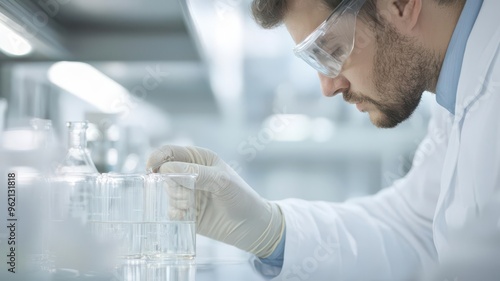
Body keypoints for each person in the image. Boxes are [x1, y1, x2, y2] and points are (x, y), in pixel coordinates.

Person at [147, 0, 500, 279]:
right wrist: (269, 229)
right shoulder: (460, 95)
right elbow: (414, 228)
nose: (328, 86)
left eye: (330, 49)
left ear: (401, 4)